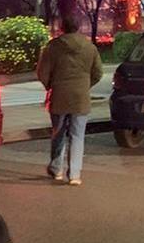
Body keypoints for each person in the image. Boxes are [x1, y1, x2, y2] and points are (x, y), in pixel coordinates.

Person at [36, 25, 103, 186]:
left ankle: (56, 169)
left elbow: (42, 71)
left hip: (59, 95)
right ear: (78, 27)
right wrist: (85, 86)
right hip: (81, 98)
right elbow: (98, 73)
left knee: (58, 133)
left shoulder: (53, 47)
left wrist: (50, 85)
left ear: (62, 27)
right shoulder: (89, 47)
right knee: (77, 136)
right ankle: (74, 174)